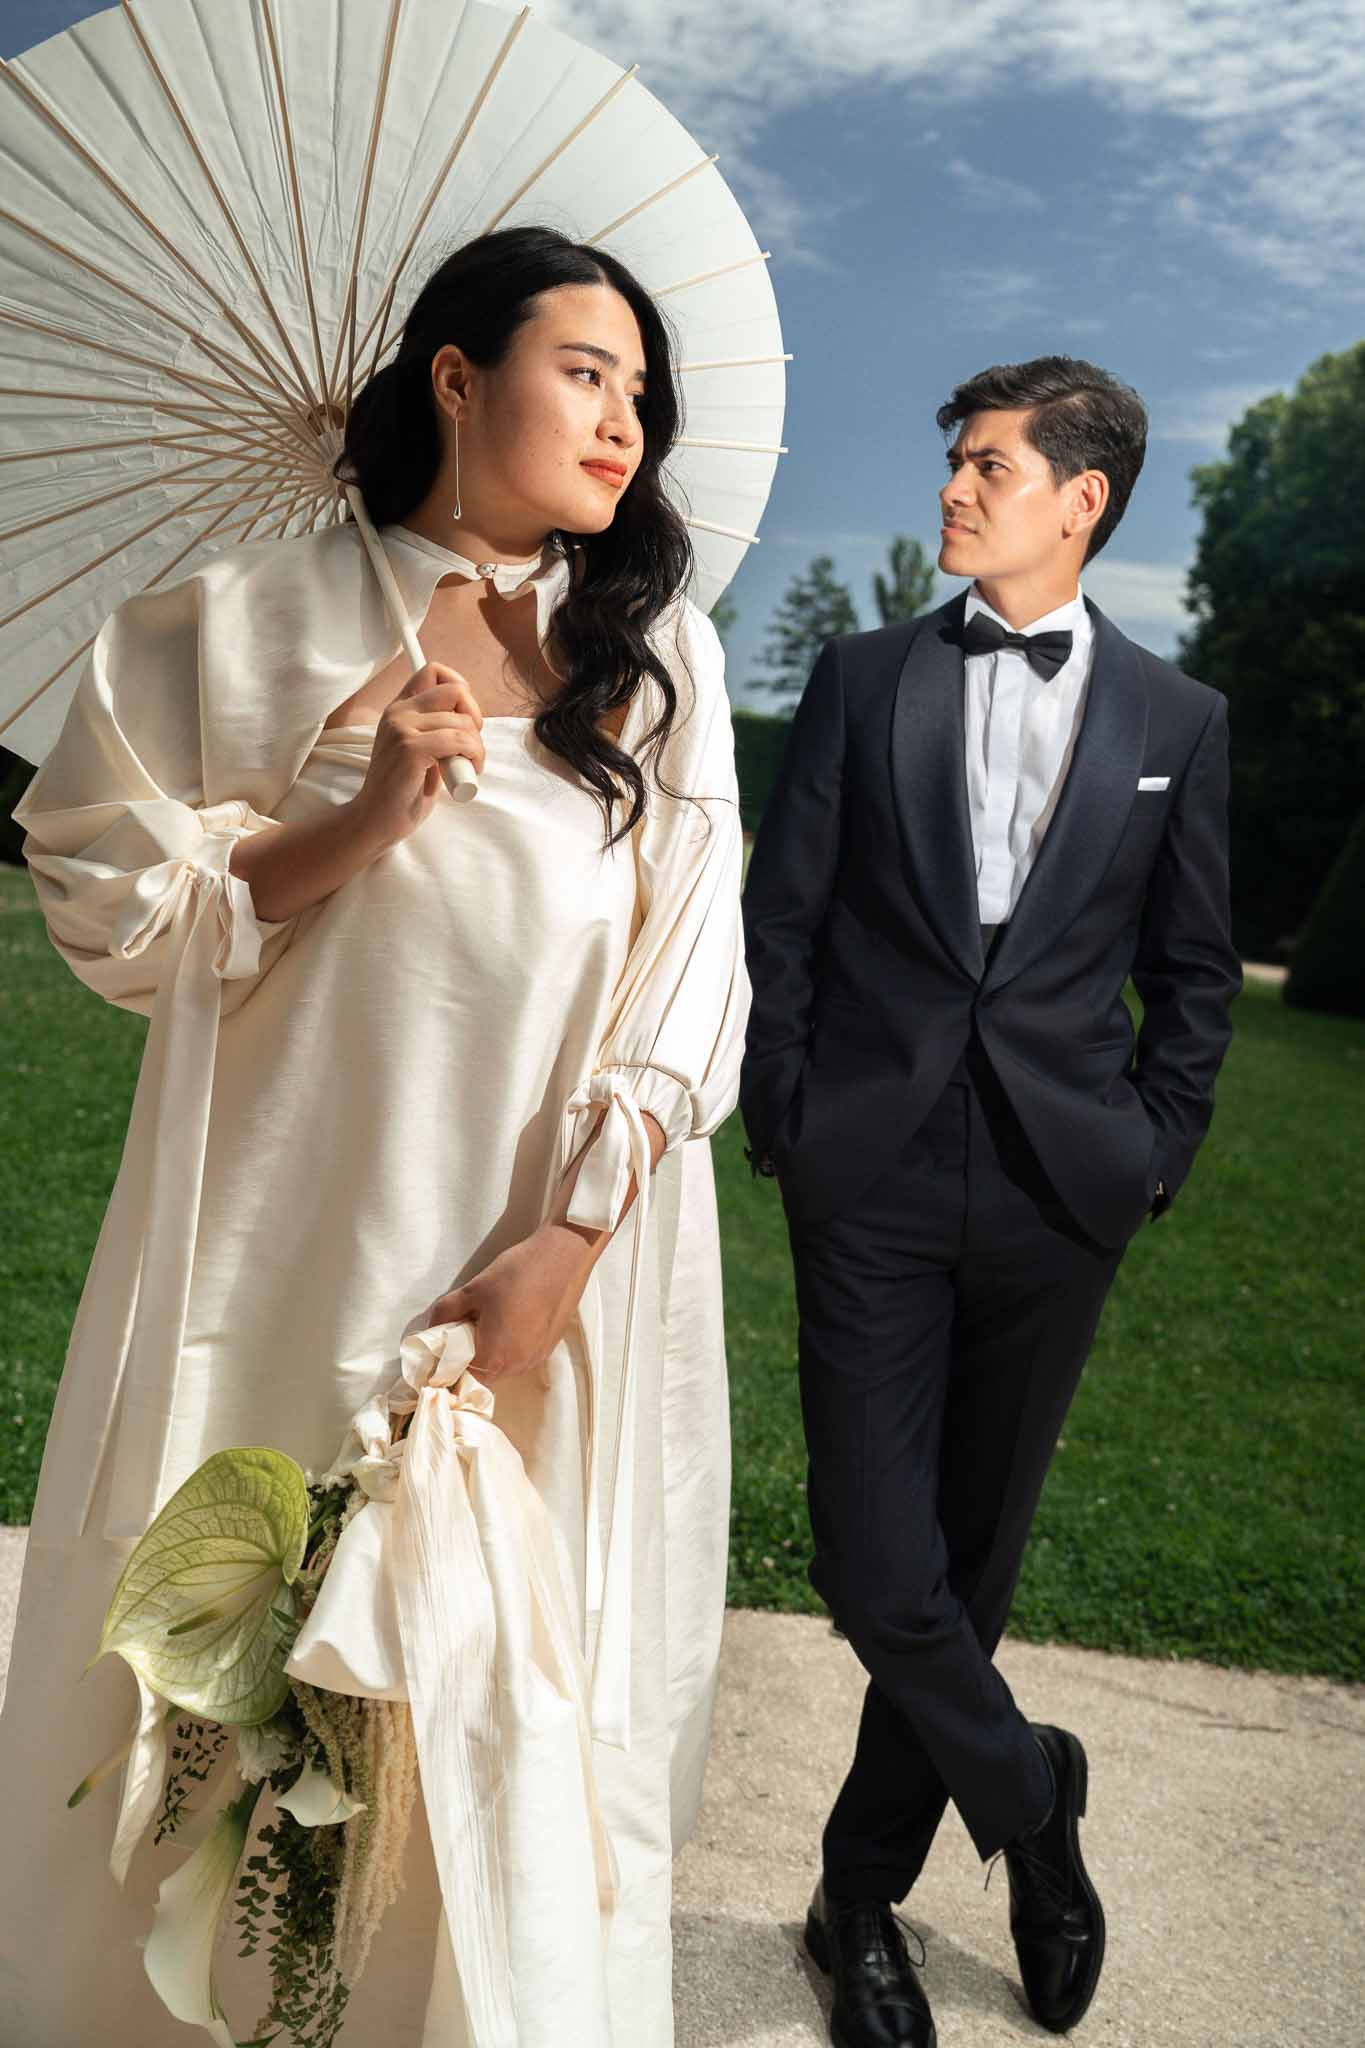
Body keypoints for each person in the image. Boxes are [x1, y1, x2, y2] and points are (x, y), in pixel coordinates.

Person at [0, 225, 748, 2046]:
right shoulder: (225, 627)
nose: (623, 419)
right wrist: (363, 807)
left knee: (505, 1670)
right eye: (586, 369)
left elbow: (691, 974)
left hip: (535, 1265)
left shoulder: (655, 663)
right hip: (287, 1236)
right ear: (455, 377)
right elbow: (112, 917)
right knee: (243, 1638)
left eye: (642, 393)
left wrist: (566, 1247)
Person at [740, 357, 1241, 2046]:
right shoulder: (862, 675)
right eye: (953, 463)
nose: (953, 490)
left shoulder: (1179, 723)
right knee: (879, 1572)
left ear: (1078, 500)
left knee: (969, 1558)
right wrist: (794, 1124)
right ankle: (1035, 1798)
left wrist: (1150, 1150)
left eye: (987, 467)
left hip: (1056, 1194)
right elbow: (782, 921)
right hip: (868, 1177)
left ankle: (855, 1901)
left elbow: (1191, 975)